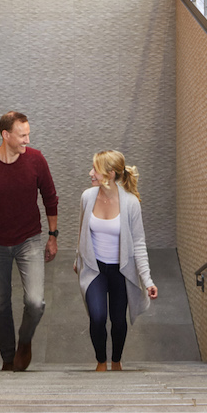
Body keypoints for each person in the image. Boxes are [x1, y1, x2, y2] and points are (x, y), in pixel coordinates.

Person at [0, 110, 59, 371]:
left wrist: (52, 236)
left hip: (29, 240)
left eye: (28, 134)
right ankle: (8, 359)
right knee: (0, 305)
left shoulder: (36, 160)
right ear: (6, 135)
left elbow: (50, 197)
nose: (28, 140)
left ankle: (24, 341)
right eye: (22, 135)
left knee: (35, 303)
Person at [74, 150, 157, 371]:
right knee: (98, 316)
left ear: (110, 174)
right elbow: (82, 232)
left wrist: (147, 281)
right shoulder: (87, 197)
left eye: (95, 169)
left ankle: (116, 360)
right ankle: (101, 361)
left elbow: (139, 243)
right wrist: (78, 259)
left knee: (118, 321)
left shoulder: (130, 203)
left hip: (122, 271)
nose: (91, 173)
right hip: (94, 269)